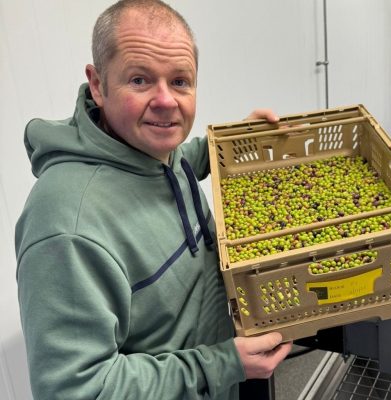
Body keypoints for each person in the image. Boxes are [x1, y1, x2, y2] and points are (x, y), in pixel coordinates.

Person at [15, 0, 292, 399]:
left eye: (180, 82)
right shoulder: (66, 227)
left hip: (226, 370)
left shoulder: (147, 147)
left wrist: (226, 144)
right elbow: (76, 390)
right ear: (98, 84)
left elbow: (172, 167)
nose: (166, 101)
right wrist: (221, 364)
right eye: (140, 80)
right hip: (214, 371)